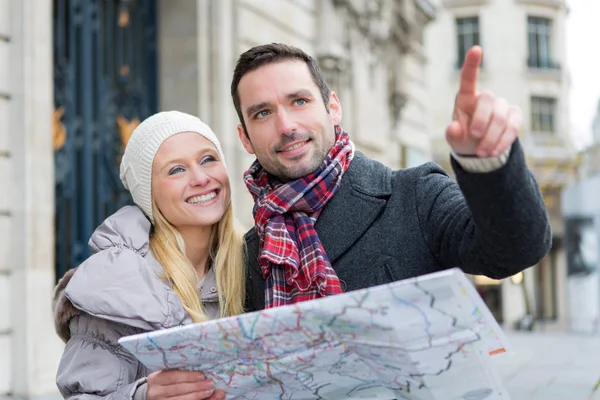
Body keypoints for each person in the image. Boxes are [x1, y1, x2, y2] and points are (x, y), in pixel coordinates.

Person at [230, 43, 552, 311]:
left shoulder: (416, 195)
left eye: (299, 101)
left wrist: (490, 163)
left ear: (333, 107)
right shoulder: (247, 255)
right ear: (245, 138)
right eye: (263, 113)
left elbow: (515, 251)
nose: (286, 126)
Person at [52, 111, 242, 400]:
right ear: (148, 194)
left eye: (208, 159)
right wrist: (141, 396)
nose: (201, 178)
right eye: (176, 170)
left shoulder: (258, 260)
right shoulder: (117, 282)